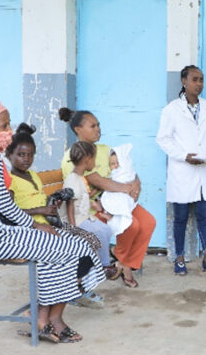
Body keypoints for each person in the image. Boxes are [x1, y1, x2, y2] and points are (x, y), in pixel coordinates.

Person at [0, 89, 105, 343]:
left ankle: (44, 318)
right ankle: (48, 320)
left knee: (70, 245)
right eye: (3, 124)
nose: (8, 130)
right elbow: (3, 202)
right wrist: (34, 226)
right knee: (70, 247)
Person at [6, 123, 107, 308]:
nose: (26, 159)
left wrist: (53, 203)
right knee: (78, 247)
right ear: (9, 155)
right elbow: (8, 213)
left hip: (50, 224)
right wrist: (39, 211)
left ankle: (75, 288)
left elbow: (42, 202)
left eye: (30, 155)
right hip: (30, 230)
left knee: (91, 242)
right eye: (21, 155)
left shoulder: (33, 176)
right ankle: (73, 290)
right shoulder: (11, 181)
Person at [60, 107, 156, 288]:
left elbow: (125, 167)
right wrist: (127, 188)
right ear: (78, 130)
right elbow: (97, 181)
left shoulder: (105, 149)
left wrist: (136, 183)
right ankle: (123, 263)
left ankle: (123, 262)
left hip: (118, 201)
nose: (98, 129)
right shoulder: (74, 155)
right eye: (92, 126)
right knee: (132, 225)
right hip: (92, 209)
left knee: (148, 222)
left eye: (98, 125)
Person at [156, 65, 206, 276]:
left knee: (204, 216)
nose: (199, 84)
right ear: (183, 81)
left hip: (204, 170)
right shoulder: (171, 110)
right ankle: (179, 258)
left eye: (202, 80)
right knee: (181, 217)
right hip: (183, 171)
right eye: (195, 79)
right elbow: (163, 139)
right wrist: (183, 156)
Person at [62, 141, 117, 280]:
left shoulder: (80, 177)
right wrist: (73, 228)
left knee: (106, 229)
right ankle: (103, 266)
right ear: (87, 160)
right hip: (75, 220)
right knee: (98, 233)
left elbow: (83, 196)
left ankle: (103, 264)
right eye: (94, 158)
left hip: (84, 217)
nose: (95, 162)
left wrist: (97, 190)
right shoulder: (72, 179)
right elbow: (70, 203)